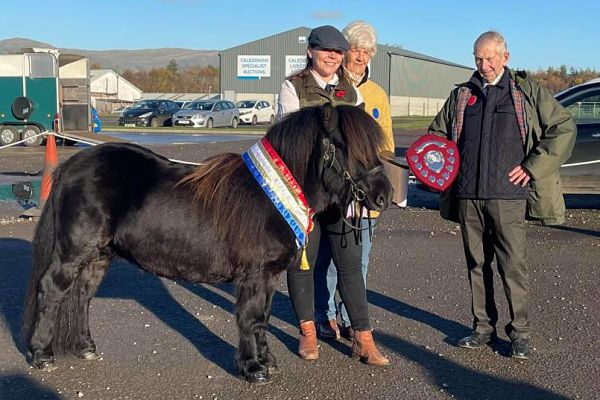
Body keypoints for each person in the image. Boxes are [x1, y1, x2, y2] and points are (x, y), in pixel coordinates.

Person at [428, 31, 576, 359]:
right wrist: (435, 167)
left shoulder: (527, 93)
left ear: (505, 57)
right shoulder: (462, 96)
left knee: (513, 265)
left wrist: (533, 167)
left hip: (509, 196)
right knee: (477, 264)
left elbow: (563, 127)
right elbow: (436, 135)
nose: (484, 65)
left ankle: (520, 332)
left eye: (490, 58)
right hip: (468, 195)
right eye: (478, 58)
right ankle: (482, 328)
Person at [277, 25, 389, 365]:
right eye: (325, 50)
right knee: (302, 265)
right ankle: (308, 332)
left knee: (351, 266)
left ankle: (363, 338)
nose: (332, 56)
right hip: (305, 196)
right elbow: (287, 140)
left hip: (341, 195)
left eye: (338, 52)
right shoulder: (292, 87)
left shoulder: (350, 92)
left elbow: (358, 144)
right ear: (310, 51)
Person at [313, 20, 395, 342]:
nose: (360, 57)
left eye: (367, 51)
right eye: (356, 50)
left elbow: (386, 141)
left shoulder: (377, 94)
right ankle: (325, 316)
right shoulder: (334, 88)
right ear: (346, 51)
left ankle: (350, 317)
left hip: (363, 192)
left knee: (358, 260)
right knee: (327, 261)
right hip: (334, 191)